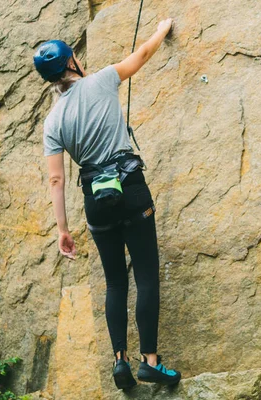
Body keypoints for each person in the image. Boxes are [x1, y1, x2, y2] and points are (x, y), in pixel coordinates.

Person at [33, 17, 180, 389]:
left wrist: (63, 230)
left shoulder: (52, 122)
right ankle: (150, 361)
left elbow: (56, 178)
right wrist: (162, 29)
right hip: (129, 188)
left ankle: (120, 363)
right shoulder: (101, 80)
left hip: (96, 202)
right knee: (145, 274)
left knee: (115, 282)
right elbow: (142, 54)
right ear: (71, 63)